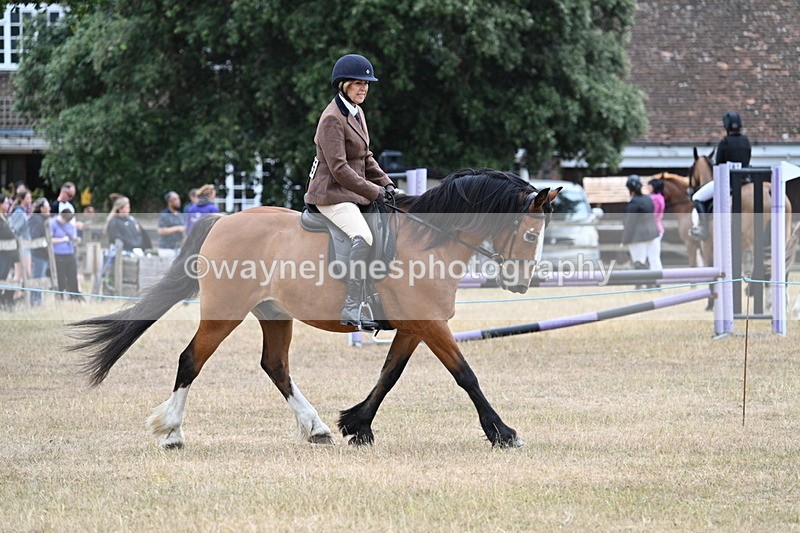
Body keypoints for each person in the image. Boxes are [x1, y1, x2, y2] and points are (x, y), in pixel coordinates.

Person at [304, 53, 395, 330]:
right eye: (358, 83)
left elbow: (365, 157)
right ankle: (352, 306)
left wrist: (387, 184)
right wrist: (373, 191)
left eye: (366, 84)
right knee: (364, 236)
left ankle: (375, 297)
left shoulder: (356, 112)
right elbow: (340, 169)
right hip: (330, 194)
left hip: (350, 192)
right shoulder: (332, 118)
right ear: (343, 84)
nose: (363, 88)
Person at [689, 111, 752, 240]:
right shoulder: (746, 142)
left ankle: (703, 228)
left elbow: (718, 165)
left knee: (697, 197)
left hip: (727, 182)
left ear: (726, 126)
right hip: (745, 180)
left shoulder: (724, 143)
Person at [621, 175, 660, 272]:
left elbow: (630, 223)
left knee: (639, 262)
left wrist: (625, 240)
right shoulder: (648, 199)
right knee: (655, 260)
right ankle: (657, 284)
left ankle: (640, 285)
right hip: (653, 233)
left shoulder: (633, 203)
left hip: (638, 237)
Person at [50, 203, 83, 301]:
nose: (66, 223)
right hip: (58, 254)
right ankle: (59, 297)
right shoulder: (52, 223)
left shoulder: (69, 224)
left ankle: (74, 296)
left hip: (70, 252)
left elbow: (72, 237)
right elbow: (49, 240)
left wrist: (76, 239)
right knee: (60, 277)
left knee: (72, 276)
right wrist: (62, 240)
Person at [28, 198, 51, 306]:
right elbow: (35, 237)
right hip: (38, 254)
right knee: (37, 279)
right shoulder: (36, 219)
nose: (49, 208)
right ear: (41, 208)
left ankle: (38, 301)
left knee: (40, 279)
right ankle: (35, 302)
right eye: (47, 206)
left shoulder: (41, 219)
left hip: (43, 254)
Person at [0, 194, 17, 308]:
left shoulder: (4, 217)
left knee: (6, 278)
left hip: (8, 254)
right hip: (2, 254)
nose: (8, 205)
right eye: (6, 202)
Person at [157, 191, 185, 258]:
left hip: (178, 249)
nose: (178, 201)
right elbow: (160, 231)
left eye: (178, 198)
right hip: (167, 249)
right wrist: (177, 228)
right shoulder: (164, 215)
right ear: (169, 201)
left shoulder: (180, 214)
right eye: (175, 199)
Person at [648, 178, 665, 271]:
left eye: (649, 185)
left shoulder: (655, 198)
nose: (648, 187)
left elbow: (653, 214)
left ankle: (656, 275)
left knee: (653, 256)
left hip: (654, 228)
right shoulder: (660, 197)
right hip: (657, 227)